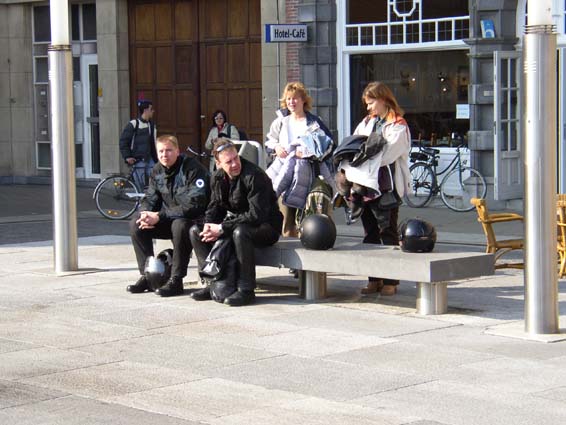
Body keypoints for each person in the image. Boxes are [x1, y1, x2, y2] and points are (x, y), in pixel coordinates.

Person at [337, 81, 411, 296]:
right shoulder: (366, 122)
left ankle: (391, 281)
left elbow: (386, 156)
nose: (368, 108)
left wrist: (365, 154)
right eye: (366, 104)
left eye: (371, 103)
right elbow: (354, 148)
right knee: (370, 233)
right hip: (364, 186)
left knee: (387, 232)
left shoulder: (398, 125)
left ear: (383, 99)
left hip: (386, 187)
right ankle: (374, 279)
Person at [189, 138, 283, 306]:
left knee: (240, 232)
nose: (234, 164)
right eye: (228, 161)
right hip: (238, 223)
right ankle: (212, 282)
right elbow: (214, 207)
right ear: (218, 164)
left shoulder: (254, 175)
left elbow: (257, 215)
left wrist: (222, 227)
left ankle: (246, 289)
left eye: (236, 158)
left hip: (266, 226)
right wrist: (208, 226)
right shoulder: (217, 177)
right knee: (196, 231)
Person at [127, 135, 210, 297]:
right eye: (161, 151)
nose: (165, 155)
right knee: (136, 223)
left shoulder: (192, 169)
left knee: (179, 225)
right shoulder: (157, 170)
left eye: (169, 150)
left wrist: (159, 215)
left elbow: (194, 204)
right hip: (168, 218)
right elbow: (150, 198)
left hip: (194, 221)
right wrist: (145, 214)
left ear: (178, 151)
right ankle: (148, 275)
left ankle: (176, 279)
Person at [265, 82, 334, 237]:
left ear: (303, 100)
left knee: (309, 213)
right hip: (284, 172)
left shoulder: (315, 122)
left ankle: (311, 240)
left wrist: (310, 154)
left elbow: (329, 146)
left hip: (308, 174)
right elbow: (269, 142)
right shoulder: (281, 122)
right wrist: (276, 148)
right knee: (287, 213)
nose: (291, 102)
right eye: (288, 99)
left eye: (295, 98)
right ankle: (290, 244)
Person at [119, 99, 158, 191]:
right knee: (139, 184)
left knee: (156, 178)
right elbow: (123, 141)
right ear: (145, 110)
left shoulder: (151, 124)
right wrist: (127, 156)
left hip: (149, 158)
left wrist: (156, 157)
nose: (153, 111)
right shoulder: (134, 124)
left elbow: (152, 142)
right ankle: (140, 203)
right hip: (138, 158)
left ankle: (151, 199)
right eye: (151, 109)